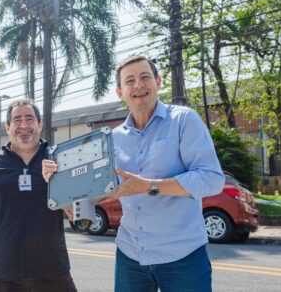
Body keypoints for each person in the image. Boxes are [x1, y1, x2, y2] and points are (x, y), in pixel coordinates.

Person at [43, 56, 225, 292]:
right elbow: (105, 188)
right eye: (130, 81)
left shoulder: (183, 120)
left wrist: (149, 185)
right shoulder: (113, 138)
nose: (138, 85)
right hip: (130, 255)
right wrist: (68, 195)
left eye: (145, 77)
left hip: (183, 256)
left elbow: (212, 179)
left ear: (158, 82)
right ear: (120, 92)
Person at [0, 100, 77, 292]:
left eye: (30, 119)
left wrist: (73, 209)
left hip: (53, 271)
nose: (24, 126)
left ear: (39, 124)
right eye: (17, 120)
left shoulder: (58, 160)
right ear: (8, 127)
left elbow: (79, 210)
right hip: (6, 273)